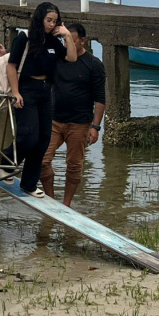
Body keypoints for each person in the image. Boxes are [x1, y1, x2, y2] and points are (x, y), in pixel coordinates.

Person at [6, 2, 77, 197]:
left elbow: (71, 58)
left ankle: (28, 183)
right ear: (40, 19)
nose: (52, 24)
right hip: (26, 88)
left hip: (47, 90)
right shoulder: (25, 38)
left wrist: (67, 35)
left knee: (44, 139)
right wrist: (15, 92)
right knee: (28, 136)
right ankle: (5, 163)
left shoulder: (54, 40)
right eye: (48, 20)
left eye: (55, 21)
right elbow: (11, 66)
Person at [40, 23, 106, 207]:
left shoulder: (93, 65)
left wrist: (95, 127)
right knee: (42, 160)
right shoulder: (58, 58)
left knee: (74, 165)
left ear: (83, 41)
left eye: (72, 40)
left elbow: (100, 99)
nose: (67, 44)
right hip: (54, 120)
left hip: (80, 123)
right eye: (64, 39)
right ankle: (51, 199)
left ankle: (66, 204)